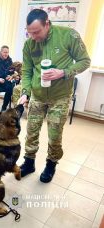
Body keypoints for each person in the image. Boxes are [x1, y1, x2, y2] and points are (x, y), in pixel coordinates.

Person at [18, 9, 90, 183]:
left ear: (47, 24)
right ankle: (29, 162)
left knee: (55, 134)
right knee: (32, 131)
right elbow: (27, 71)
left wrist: (64, 72)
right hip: (38, 95)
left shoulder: (69, 36)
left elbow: (85, 61)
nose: (33, 37)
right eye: (30, 33)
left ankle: (51, 164)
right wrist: (25, 92)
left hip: (60, 96)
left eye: (37, 32)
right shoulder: (29, 44)